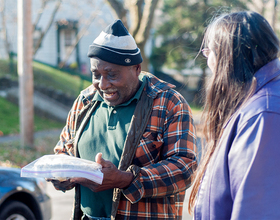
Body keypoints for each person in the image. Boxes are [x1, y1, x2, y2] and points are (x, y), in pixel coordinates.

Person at [50, 19, 197, 220]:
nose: (102, 84)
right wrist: (61, 174)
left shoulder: (169, 103)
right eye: (96, 74)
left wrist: (126, 179)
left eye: (112, 75)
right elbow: (63, 149)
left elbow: (184, 168)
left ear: (136, 68)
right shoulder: (85, 100)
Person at [188, 11, 280, 219]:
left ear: (227, 54)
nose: (207, 60)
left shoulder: (264, 113)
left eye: (208, 51)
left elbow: (257, 211)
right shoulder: (256, 102)